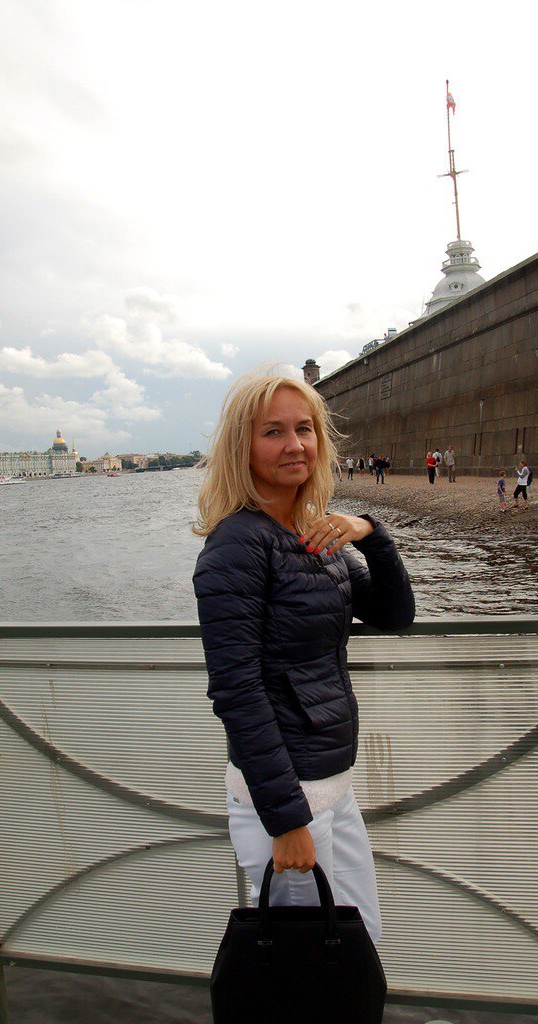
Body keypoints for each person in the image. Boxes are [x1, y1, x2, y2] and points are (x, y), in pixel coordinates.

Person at [192, 370, 415, 948]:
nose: (294, 444)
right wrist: (287, 820)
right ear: (242, 448)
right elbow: (237, 690)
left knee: (360, 942)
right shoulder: (236, 546)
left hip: (331, 782)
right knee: (306, 967)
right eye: (273, 432)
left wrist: (369, 532)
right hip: (287, 801)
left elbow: (394, 615)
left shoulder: (313, 535)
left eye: (304, 429)